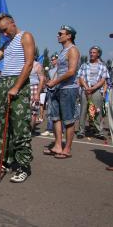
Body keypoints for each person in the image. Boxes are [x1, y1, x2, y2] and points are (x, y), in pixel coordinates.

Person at [0, 13, 35, 183]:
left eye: (5, 30)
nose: (4, 34)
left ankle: (23, 166)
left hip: (18, 81)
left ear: (13, 23)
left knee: (20, 126)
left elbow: (29, 63)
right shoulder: (6, 42)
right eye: (1, 32)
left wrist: (16, 87)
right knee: (2, 126)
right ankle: (3, 162)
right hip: (3, 82)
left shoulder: (25, 36)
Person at [44, 25, 80, 159]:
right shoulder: (62, 51)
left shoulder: (73, 50)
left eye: (61, 33)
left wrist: (55, 82)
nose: (58, 35)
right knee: (55, 118)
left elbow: (71, 71)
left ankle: (67, 149)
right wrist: (52, 82)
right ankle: (58, 146)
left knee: (68, 120)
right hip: (58, 88)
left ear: (69, 35)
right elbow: (60, 71)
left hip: (68, 89)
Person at [76, 46, 109, 140]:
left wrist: (93, 88)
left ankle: (99, 131)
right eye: (90, 52)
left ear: (98, 54)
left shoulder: (102, 66)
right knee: (83, 111)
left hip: (97, 90)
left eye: (94, 52)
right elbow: (81, 77)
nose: (91, 54)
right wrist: (87, 88)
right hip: (85, 89)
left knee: (97, 111)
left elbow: (103, 80)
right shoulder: (84, 65)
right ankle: (81, 131)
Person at [41, 55, 58, 136]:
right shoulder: (51, 70)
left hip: (58, 91)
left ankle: (59, 130)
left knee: (58, 111)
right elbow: (49, 80)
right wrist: (46, 82)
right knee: (50, 111)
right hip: (50, 91)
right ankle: (49, 129)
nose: (52, 61)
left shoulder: (61, 69)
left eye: (53, 59)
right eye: (51, 60)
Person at [29, 60, 45, 132]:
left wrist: (38, 94)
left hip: (34, 87)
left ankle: (31, 130)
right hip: (25, 87)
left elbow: (42, 79)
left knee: (33, 111)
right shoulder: (24, 62)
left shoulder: (37, 65)